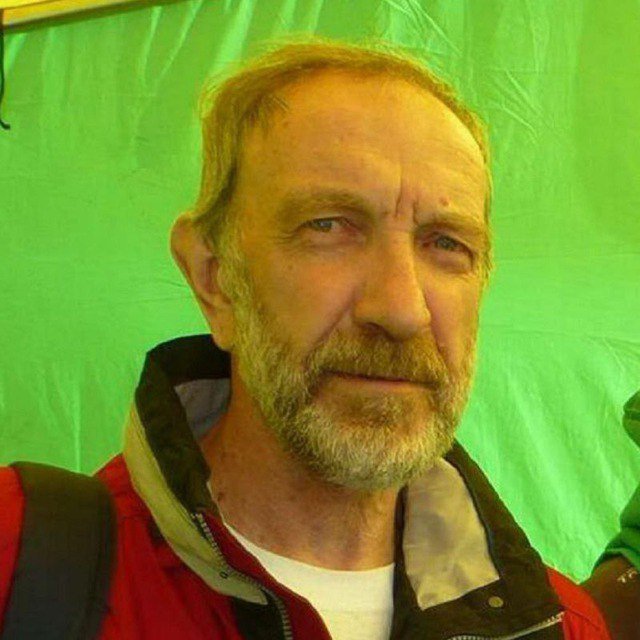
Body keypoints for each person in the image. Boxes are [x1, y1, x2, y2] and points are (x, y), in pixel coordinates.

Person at [0, 34, 638, 639]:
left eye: (447, 244)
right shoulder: (19, 561)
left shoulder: (561, 626)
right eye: (328, 226)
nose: (401, 310)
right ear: (214, 278)